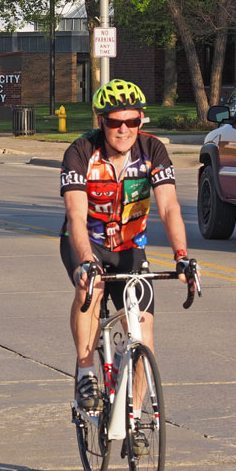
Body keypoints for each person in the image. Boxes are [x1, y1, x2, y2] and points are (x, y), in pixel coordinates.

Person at [59, 79, 193, 416]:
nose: (123, 129)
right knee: (91, 286)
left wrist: (181, 256)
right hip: (86, 241)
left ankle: (132, 414)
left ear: (141, 121)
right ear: (100, 121)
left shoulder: (153, 150)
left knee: (143, 332)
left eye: (132, 122)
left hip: (131, 246)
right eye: (114, 122)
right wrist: (87, 261)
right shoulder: (80, 152)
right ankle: (87, 369)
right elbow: (75, 214)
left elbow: (169, 207)